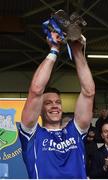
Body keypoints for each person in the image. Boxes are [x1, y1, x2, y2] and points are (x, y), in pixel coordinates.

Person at [18, 32, 95, 179]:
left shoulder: (75, 131)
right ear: (39, 111)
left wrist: (77, 50)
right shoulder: (31, 135)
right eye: (48, 103)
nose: (54, 106)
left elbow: (88, 92)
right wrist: (54, 50)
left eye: (58, 102)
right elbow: (35, 90)